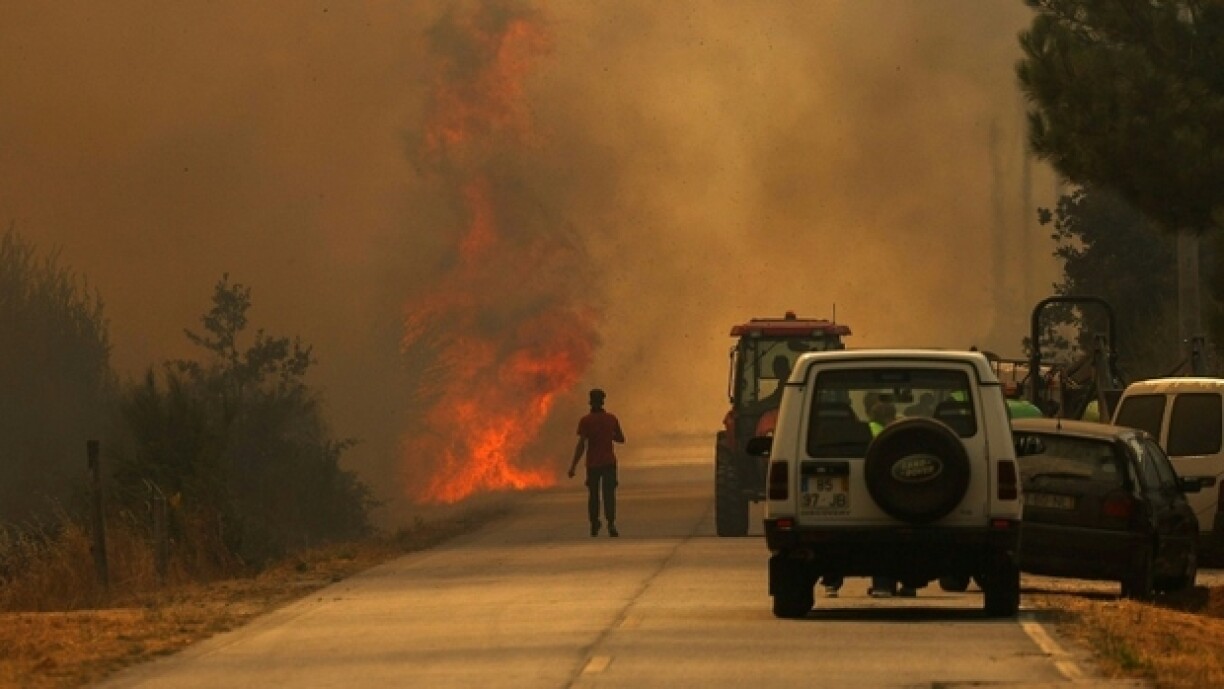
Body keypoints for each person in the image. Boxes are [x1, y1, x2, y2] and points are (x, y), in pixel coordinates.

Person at [866, 399, 916, 598]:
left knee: (880, 542)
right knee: (906, 542)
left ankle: (882, 586)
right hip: (905, 491)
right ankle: (909, 584)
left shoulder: (866, 430)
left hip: (875, 490)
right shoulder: (900, 432)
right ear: (891, 416)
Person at [568, 388, 626, 537]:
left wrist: (573, 466)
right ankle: (611, 523)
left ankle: (594, 523)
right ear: (603, 401)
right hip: (609, 463)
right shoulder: (611, 419)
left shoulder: (586, 421)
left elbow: (581, 445)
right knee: (609, 495)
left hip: (592, 464)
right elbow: (621, 439)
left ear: (590, 402)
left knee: (593, 496)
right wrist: (609, 435)